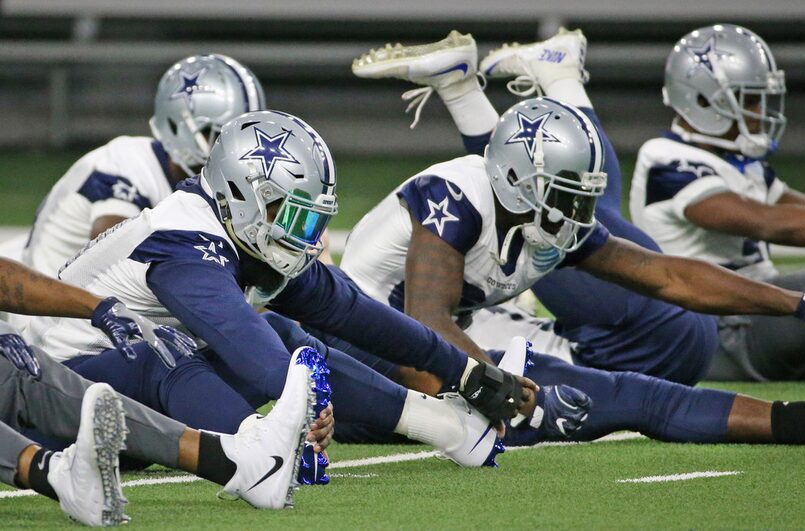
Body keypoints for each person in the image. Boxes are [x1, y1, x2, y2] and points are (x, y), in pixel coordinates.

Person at [337, 36, 805, 447]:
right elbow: (424, 323)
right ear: (516, 179)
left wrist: (798, 302)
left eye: (581, 196)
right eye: (565, 195)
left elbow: (669, 276)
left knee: (633, 395)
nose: (576, 212)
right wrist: (512, 394)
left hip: (436, 347)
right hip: (360, 349)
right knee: (529, 420)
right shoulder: (453, 195)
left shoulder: (543, 213)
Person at [24, 110, 539, 468]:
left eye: (312, 219)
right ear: (242, 195)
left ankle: (448, 427)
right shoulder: (183, 242)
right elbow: (258, 359)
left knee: (282, 336)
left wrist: (468, 372)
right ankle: (257, 458)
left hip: (134, 393)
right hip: (56, 398)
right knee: (187, 351)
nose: (303, 234)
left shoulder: (236, 230)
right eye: (290, 213)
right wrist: (304, 399)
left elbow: (355, 313)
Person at [351, 29, 718, 386]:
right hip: (602, 349)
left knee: (550, 194)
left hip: (601, 343)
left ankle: (505, 83)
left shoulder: (377, 293)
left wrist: (500, 391)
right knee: (557, 194)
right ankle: (528, 81)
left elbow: (429, 323)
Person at [0, 258, 333, 523]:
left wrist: (101, 308)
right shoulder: (177, 229)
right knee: (159, 359)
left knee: (20, 372)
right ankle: (250, 453)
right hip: (40, 407)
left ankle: (249, 462)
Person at [630, 23, 805, 381]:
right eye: (749, 98)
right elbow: (769, 223)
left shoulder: (736, 159)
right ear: (705, 100)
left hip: (762, 313)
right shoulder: (665, 159)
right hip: (721, 328)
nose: (759, 110)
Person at [22, 54, 265, 277]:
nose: (238, 153)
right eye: (219, 137)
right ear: (177, 125)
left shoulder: (207, 185)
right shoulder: (125, 162)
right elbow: (114, 265)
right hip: (54, 316)